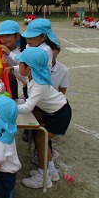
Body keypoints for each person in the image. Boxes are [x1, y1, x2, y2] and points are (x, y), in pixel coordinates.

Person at [13, 47, 72, 189]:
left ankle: (43, 177)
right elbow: (20, 67)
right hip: (56, 112)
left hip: (60, 115)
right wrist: (11, 68)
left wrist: (8, 107)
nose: (18, 66)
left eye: (20, 64)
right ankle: (50, 171)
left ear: (29, 69)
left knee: (41, 139)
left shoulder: (39, 86)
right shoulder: (35, 76)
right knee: (40, 139)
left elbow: (27, 108)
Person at [0, 20, 27, 99]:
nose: (5, 39)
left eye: (8, 35)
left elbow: (23, 65)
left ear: (17, 36)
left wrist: (8, 52)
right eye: (2, 36)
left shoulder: (22, 52)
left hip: (15, 84)